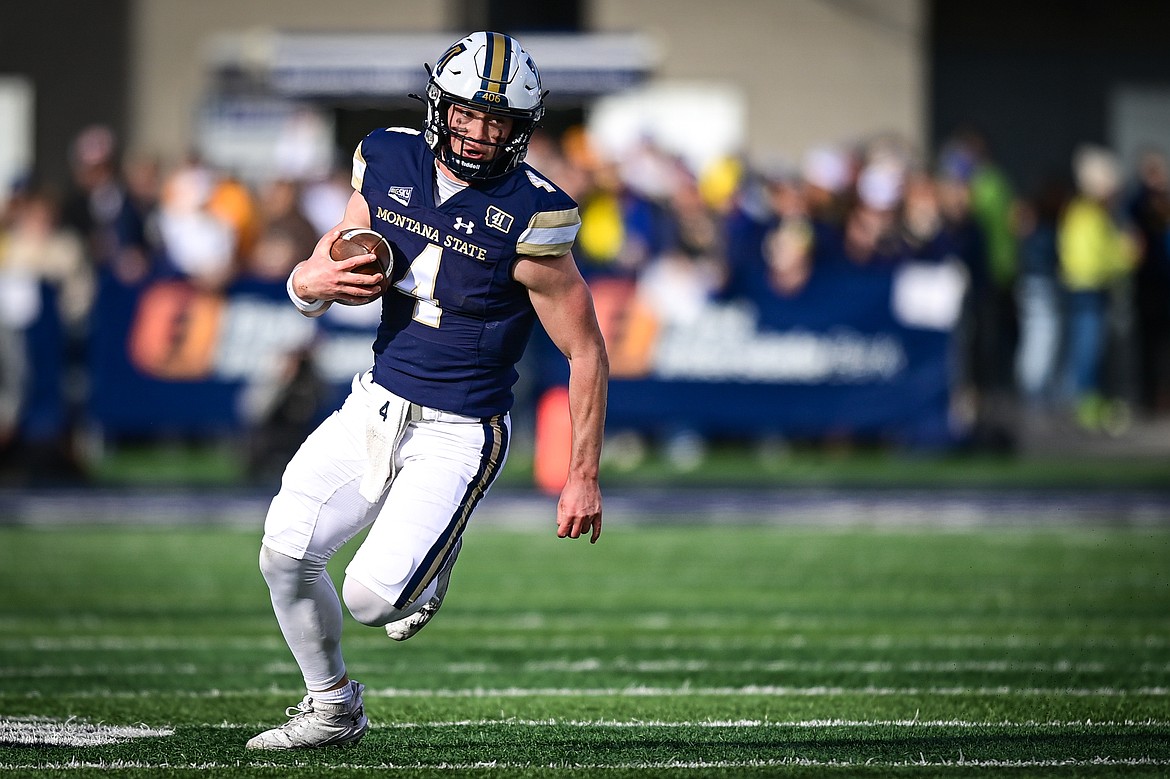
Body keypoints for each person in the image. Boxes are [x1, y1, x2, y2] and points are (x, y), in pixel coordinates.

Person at [246, 31, 609, 750]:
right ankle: (332, 707)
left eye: (500, 120)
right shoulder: (386, 157)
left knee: (371, 598)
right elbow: (335, 255)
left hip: (460, 430)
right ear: (440, 106)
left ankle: (435, 558)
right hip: (374, 402)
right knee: (283, 553)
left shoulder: (533, 213)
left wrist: (582, 474)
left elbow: (586, 350)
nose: (480, 133)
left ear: (521, 128)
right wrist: (305, 282)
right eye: (469, 114)